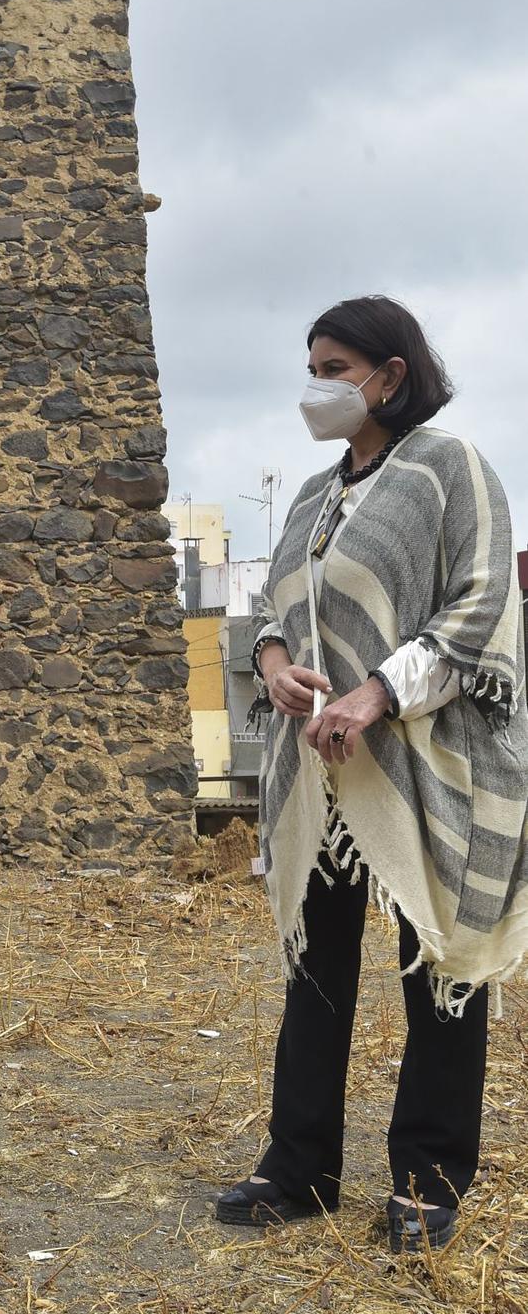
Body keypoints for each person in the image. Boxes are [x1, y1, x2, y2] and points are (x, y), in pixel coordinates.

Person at [216, 296, 528, 1252]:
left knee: (437, 967)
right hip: (321, 778)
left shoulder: (451, 471)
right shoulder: (314, 495)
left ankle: (429, 1177)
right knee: (315, 971)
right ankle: (297, 1164)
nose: (317, 387)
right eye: (310, 368)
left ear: (390, 375)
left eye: (334, 368)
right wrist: (273, 668)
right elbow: (277, 609)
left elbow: (479, 605)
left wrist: (375, 696)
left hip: (425, 762)